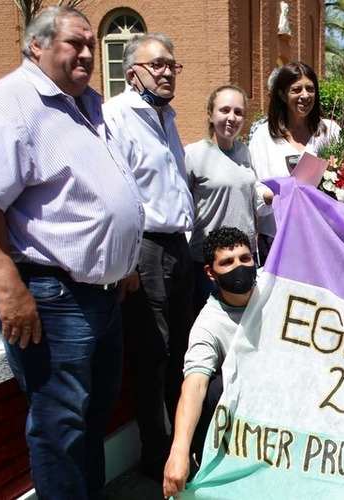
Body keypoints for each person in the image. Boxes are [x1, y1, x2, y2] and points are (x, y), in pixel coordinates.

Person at [0, 7, 145, 498]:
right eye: (74, 43)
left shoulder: (89, 103)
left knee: (92, 421)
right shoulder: (13, 103)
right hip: (53, 301)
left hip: (102, 298)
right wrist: (8, 289)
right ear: (36, 46)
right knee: (59, 432)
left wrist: (121, 265)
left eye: (90, 45)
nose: (87, 53)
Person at [103, 33, 195, 480]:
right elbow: (114, 193)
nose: (166, 72)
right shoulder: (116, 116)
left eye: (172, 65)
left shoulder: (167, 118)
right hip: (146, 250)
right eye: (157, 64)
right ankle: (156, 458)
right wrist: (126, 262)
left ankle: (180, 446)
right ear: (131, 71)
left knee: (179, 351)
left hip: (177, 246)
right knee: (152, 356)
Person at [162, 227, 257, 499]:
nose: (239, 267)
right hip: (245, 410)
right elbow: (194, 385)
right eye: (227, 262)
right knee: (214, 389)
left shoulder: (275, 290)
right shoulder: (208, 324)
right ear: (210, 273)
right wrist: (179, 451)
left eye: (244, 258)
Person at [185, 85, 272, 313]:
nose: (231, 118)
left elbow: (254, 198)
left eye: (238, 112)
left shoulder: (245, 152)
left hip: (244, 257)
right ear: (210, 114)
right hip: (210, 262)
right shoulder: (192, 155)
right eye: (224, 110)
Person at [249, 61, 340, 263]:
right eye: (296, 89)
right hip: (277, 237)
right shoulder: (263, 136)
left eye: (310, 89)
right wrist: (270, 197)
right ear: (282, 95)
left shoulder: (330, 131)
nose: (305, 95)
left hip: (322, 237)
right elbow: (253, 183)